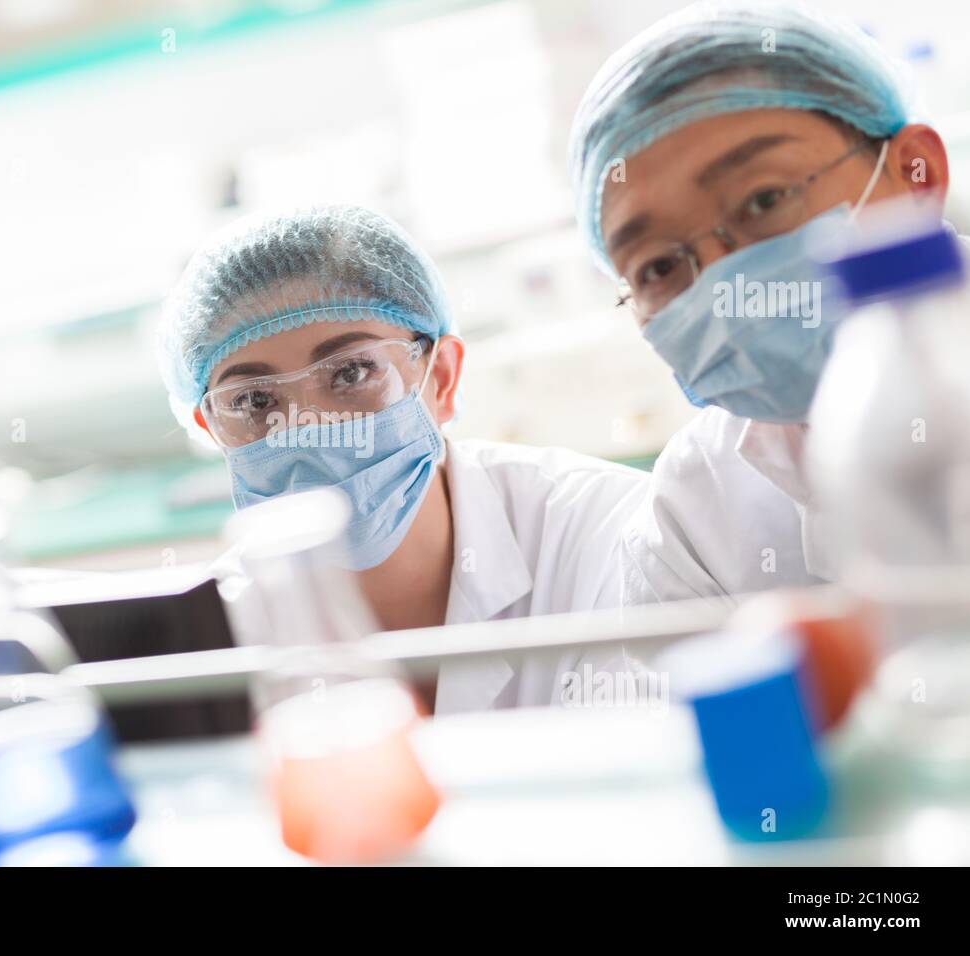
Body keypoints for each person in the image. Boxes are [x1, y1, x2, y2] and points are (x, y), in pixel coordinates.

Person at [159, 204, 651, 713]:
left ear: (441, 379)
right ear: (213, 431)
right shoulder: (209, 641)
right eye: (254, 401)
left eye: (350, 373)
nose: (309, 426)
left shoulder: (606, 537)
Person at [568, 1, 952, 603]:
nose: (729, 285)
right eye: (660, 266)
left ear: (914, 172)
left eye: (764, 200)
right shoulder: (691, 518)